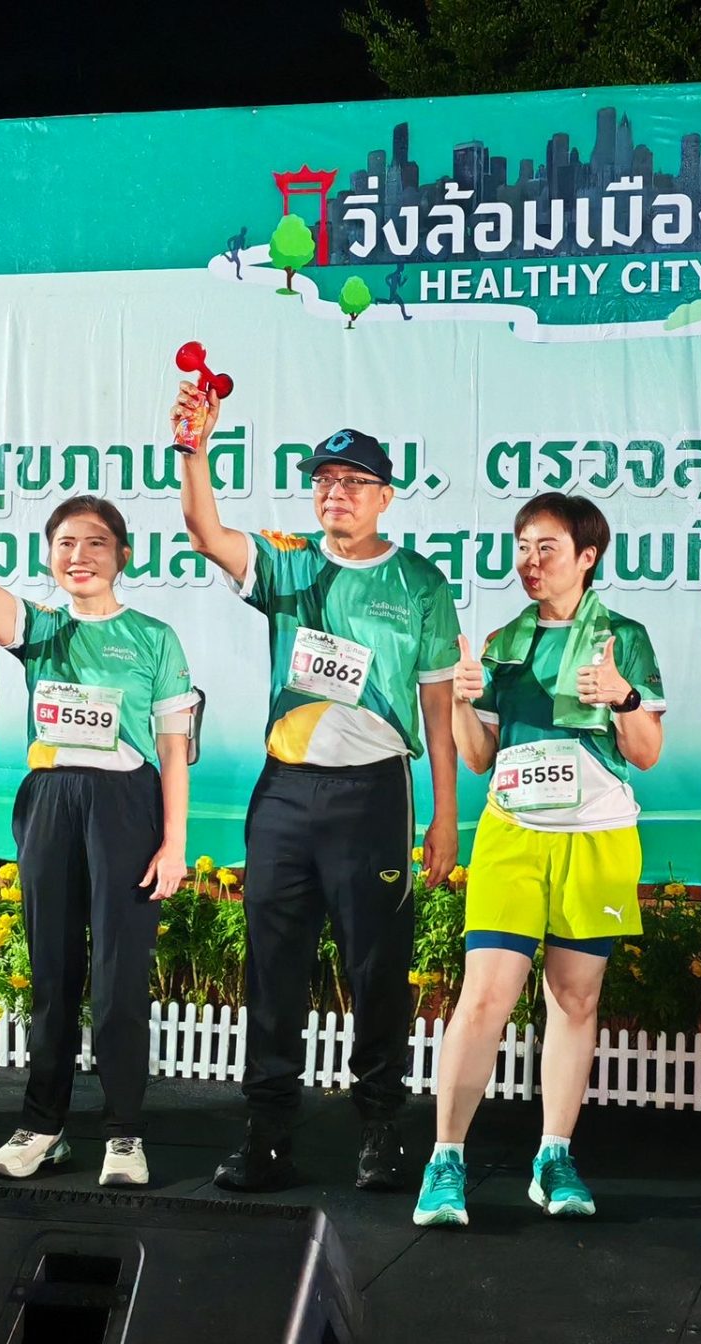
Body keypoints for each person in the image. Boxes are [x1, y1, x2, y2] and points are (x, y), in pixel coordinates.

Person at [172, 385, 460, 1194]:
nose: (337, 494)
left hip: (375, 797)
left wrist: (445, 817)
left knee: (377, 968)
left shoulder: (422, 583)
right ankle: (266, 1135)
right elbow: (204, 531)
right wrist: (194, 449)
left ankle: (381, 1131)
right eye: (325, 481)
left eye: (354, 482)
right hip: (286, 796)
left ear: (385, 496)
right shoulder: (291, 564)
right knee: (273, 967)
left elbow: (439, 715)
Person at [0, 458, 196, 1186]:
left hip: (127, 805)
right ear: (49, 555)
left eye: (96, 544)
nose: (80, 556)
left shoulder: (154, 637)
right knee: (51, 970)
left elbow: (174, 750)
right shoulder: (41, 628)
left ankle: (124, 1133)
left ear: (123, 556)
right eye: (66, 544)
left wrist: (174, 843)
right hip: (50, 801)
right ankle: (42, 1126)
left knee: (119, 977)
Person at [415, 494, 666, 1226]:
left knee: (575, 1000)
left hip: (596, 837)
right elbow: (478, 757)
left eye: (546, 547)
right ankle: (445, 1162)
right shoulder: (502, 642)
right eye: (523, 546)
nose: (530, 561)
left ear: (588, 557)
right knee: (484, 997)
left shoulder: (624, 638)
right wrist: (463, 702)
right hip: (513, 834)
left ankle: (554, 1155)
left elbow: (647, 753)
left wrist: (623, 697)